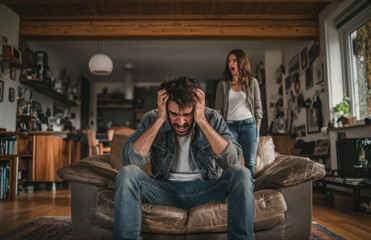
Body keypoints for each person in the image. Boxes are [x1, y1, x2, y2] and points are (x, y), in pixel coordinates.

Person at [114, 76, 255, 240]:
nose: (181, 122)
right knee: (127, 174)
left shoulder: (212, 118)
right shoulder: (151, 118)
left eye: (187, 114)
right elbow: (129, 162)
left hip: (205, 189)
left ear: (197, 106)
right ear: (165, 107)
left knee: (242, 174)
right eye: (174, 114)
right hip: (165, 190)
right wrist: (160, 119)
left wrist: (201, 120)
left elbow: (232, 162)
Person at [215, 49, 263, 176]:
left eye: (234, 60)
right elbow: (218, 108)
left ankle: (250, 194)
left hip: (249, 125)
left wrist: (257, 127)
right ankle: (233, 190)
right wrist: (219, 127)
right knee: (231, 162)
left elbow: (258, 106)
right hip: (230, 126)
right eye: (229, 61)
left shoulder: (253, 82)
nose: (231, 63)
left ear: (241, 62)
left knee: (250, 163)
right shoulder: (223, 85)